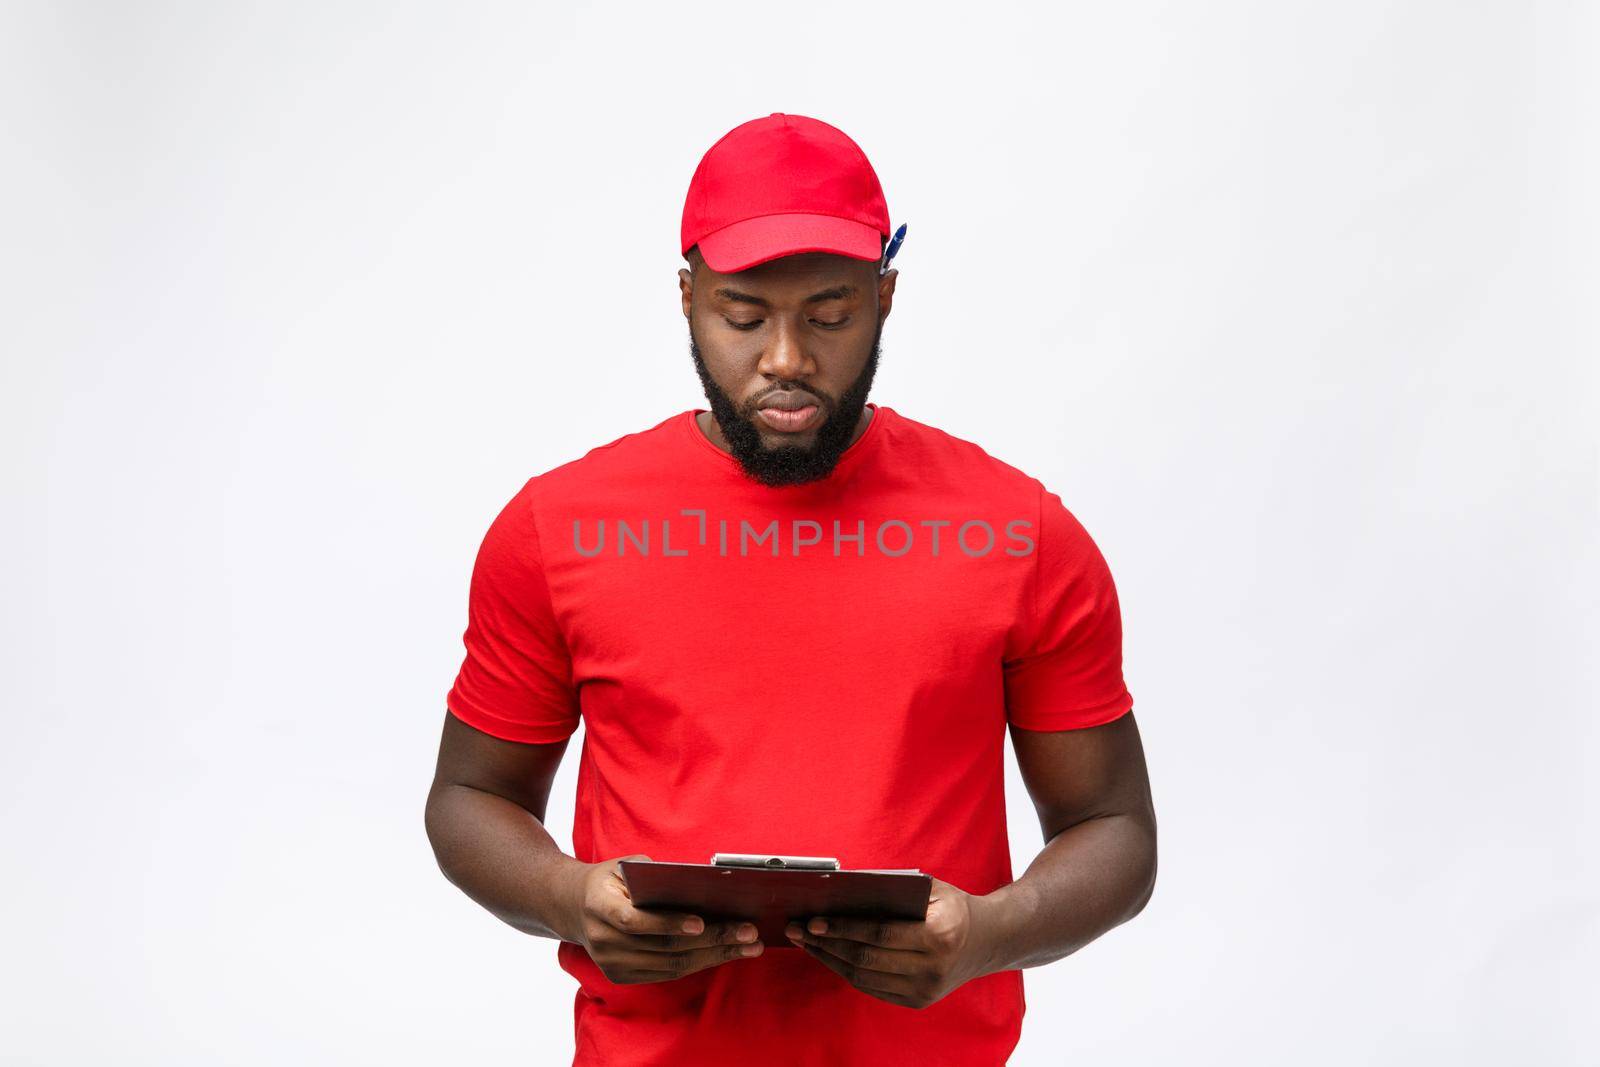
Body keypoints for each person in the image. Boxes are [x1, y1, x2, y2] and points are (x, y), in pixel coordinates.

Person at [425, 112, 1157, 1066]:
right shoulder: (558, 528)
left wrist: (992, 931)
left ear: (886, 297)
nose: (785, 359)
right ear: (687, 300)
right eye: (742, 315)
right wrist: (573, 898)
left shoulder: (1019, 534)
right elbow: (469, 797)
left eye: (829, 314)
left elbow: (1114, 828)